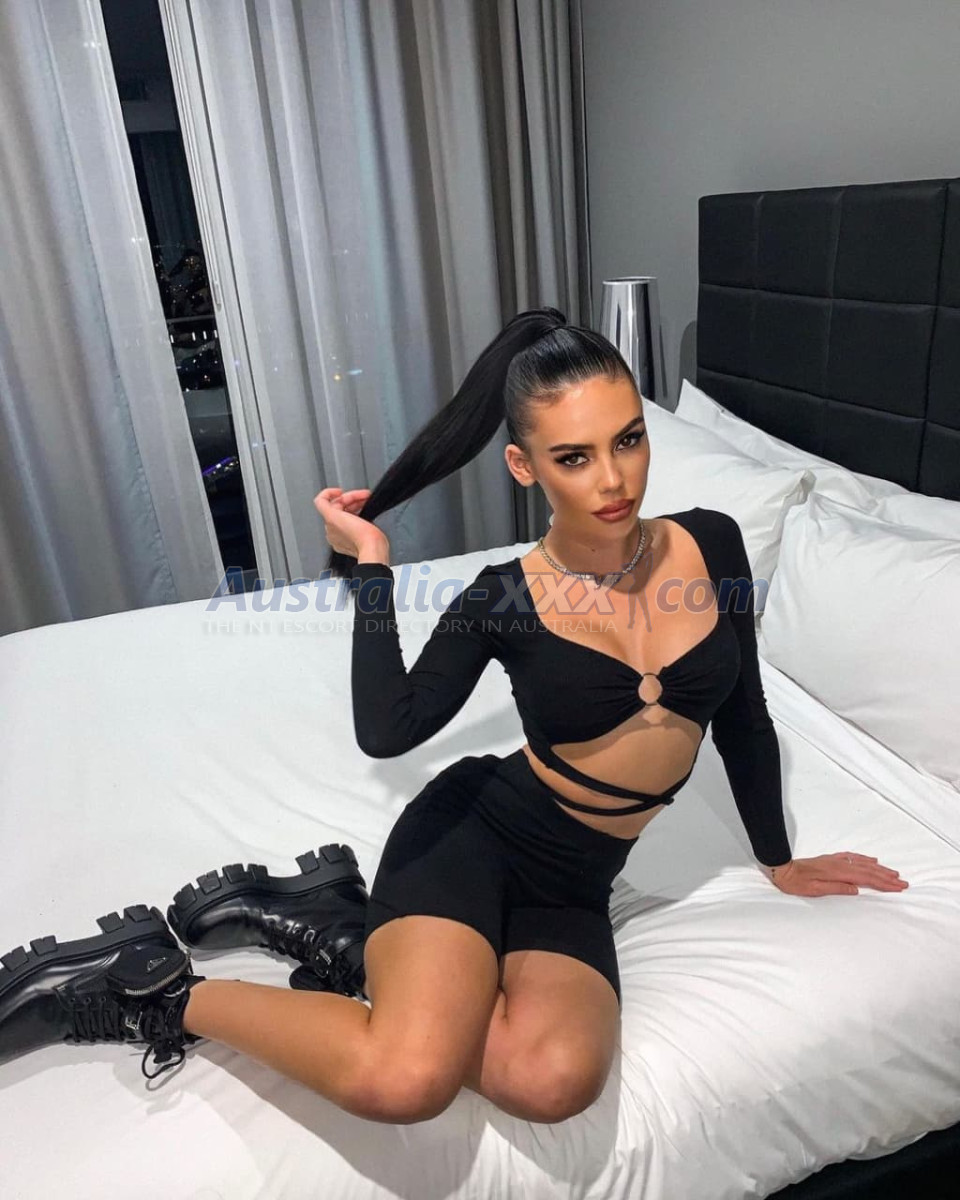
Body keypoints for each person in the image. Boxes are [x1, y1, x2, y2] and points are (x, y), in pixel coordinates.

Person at [0, 307, 909, 1123]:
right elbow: (387, 730)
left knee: (555, 1082)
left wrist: (778, 859)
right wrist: (372, 566)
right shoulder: (501, 596)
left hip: (574, 884)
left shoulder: (713, 541)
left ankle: (342, 936)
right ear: (524, 465)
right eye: (574, 457)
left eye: (629, 440)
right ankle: (155, 990)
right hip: (473, 840)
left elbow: (744, 713)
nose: (614, 479)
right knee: (406, 1079)